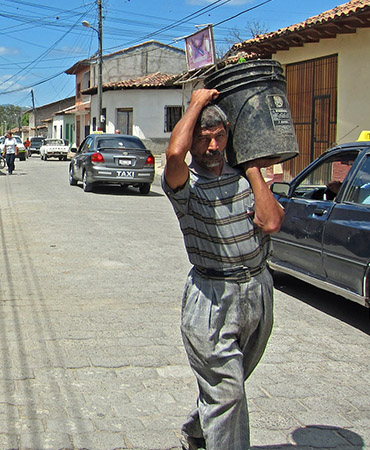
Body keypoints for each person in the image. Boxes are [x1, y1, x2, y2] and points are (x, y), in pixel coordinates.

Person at [163, 89, 284, 450]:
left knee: (231, 385)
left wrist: (251, 167)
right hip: (211, 299)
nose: (213, 147)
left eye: (219, 137)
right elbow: (173, 153)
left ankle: (199, 431)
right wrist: (197, 103)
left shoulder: (247, 177)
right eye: (203, 139)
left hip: (257, 292)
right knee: (228, 393)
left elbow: (272, 222)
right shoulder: (184, 185)